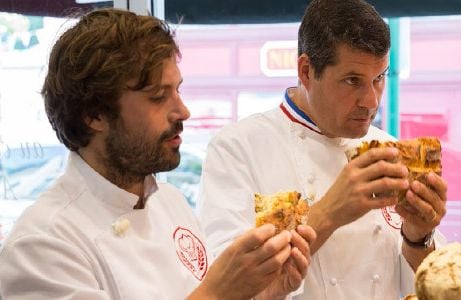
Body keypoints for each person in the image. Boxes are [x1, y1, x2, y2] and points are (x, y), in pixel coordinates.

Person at [0, 8, 316, 300]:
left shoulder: (170, 201)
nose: (183, 111)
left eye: (177, 90)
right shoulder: (43, 246)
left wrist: (261, 294)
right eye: (158, 97)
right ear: (94, 115)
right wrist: (219, 292)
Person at [197, 0, 448, 299]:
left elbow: (430, 287)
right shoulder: (237, 149)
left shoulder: (389, 150)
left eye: (379, 78)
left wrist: (419, 236)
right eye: (352, 80)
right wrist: (331, 211)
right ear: (306, 70)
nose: (371, 101)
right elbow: (225, 287)